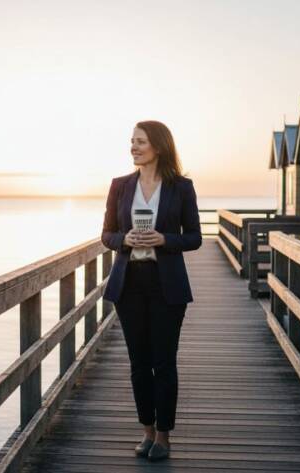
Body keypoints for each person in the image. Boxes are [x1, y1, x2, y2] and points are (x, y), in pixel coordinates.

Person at [101, 120, 202, 461]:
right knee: (138, 364)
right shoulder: (119, 186)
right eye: (132, 141)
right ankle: (146, 432)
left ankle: (164, 436)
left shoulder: (181, 187)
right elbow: (107, 234)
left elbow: (194, 237)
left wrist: (164, 240)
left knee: (164, 363)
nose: (133, 147)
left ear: (158, 146)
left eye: (140, 141)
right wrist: (123, 240)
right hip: (129, 284)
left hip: (166, 285)